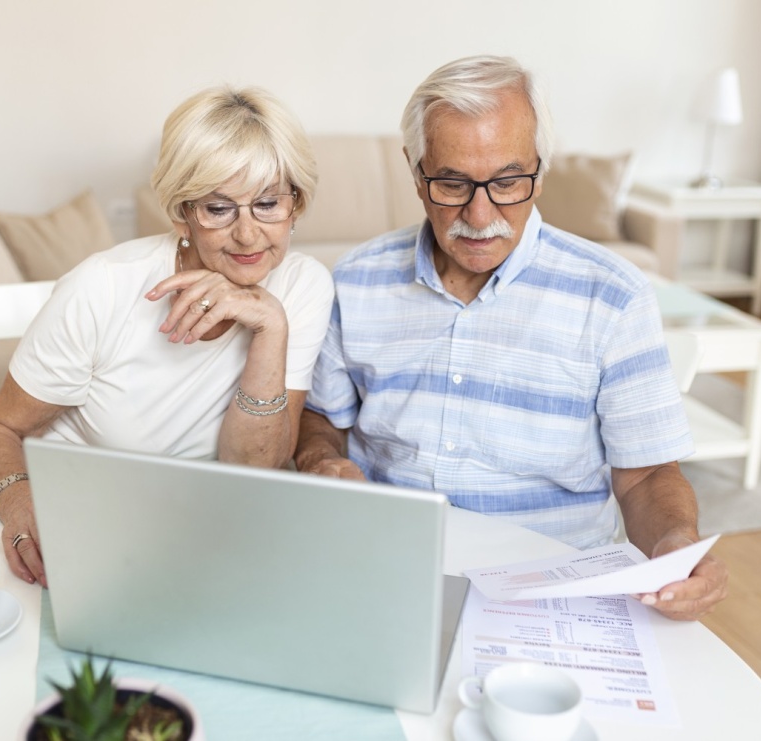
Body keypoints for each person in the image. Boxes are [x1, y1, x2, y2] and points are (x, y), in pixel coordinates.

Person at [294, 55, 727, 621]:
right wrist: (319, 459)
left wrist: (674, 543)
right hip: (387, 568)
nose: (480, 215)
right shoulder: (355, 280)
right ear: (415, 171)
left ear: (541, 172)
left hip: (553, 591)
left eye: (507, 182)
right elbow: (321, 420)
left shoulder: (614, 296)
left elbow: (645, 474)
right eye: (452, 183)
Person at [0, 86, 334, 586]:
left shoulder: (302, 287)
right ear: (182, 212)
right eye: (218, 209)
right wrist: (16, 500)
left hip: (184, 538)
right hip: (62, 528)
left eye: (268, 204)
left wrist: (270, 325)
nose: (248, 235)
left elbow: (257, 469)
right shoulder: (103, 287)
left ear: (297, 204)